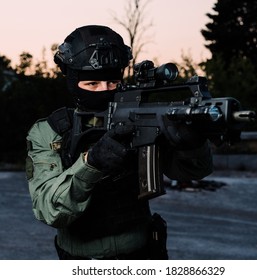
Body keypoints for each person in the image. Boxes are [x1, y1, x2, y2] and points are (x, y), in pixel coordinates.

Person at [25, 25, 213, 260]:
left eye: (112, 83)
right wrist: (91, 163)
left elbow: (191, 172)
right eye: (92, 84)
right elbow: (48, 210)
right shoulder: (49, 132)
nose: (104, 91)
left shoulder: (140, 115)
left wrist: (192, 145)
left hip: (143, 255)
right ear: (73, 82)